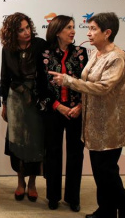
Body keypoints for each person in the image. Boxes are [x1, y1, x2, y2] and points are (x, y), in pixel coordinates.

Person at [49, 12, 125, 218]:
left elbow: (102, 87)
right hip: (93, 125)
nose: (88, 33)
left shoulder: (117, 57)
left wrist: (69, 81)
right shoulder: (95, 53)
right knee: (101, 174)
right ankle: (106, 211)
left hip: (110, 126)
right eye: (88, 28)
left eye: (93, 29)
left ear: (107, 33)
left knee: (108, 174)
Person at [0, 12, 47, 202]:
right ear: (12, 33)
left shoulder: (40, 44)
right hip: (15, 100)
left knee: (35, 142)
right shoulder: (7, 49)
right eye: (21, 30)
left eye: (28, 27)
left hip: (35, 99)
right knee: (17, 141)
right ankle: (20, 182)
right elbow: (4, 78)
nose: (26, 32)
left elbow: (45, 76)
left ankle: (33, 183)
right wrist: (3, 103)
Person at [42, 15, 87, 212]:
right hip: (53, 110)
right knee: (52, 154)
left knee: (76, 155)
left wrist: (80, 107)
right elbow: (40, 86)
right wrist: (57, 106)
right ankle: (53, 196)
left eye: (73, 27)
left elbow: (88, 85)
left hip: (77, 111)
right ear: (57, 30)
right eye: (68, 27)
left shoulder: (82, 53)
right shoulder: (44, 54)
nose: (73, 31)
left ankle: (73, 197)